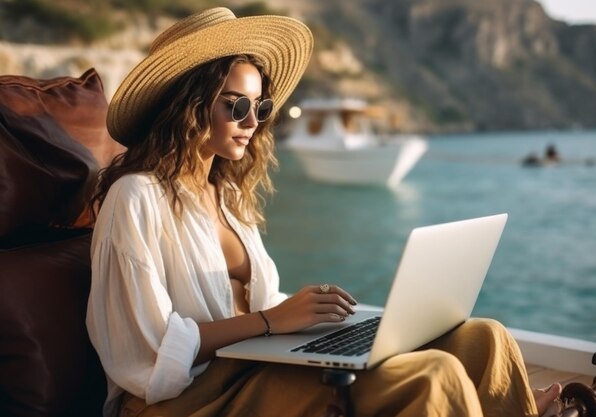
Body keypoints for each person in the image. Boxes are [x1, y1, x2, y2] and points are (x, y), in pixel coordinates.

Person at [86, 7, 562, 417]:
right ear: (187, 105)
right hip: (181, 401)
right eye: (236, 107)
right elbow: (146, 354)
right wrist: (272, 322)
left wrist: (318, 317)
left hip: (253, 366)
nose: (253, 123)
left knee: (484, 338)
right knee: (432, 374)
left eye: (261, 106)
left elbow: (263, 305)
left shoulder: (226, 197)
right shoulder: (135, 199)